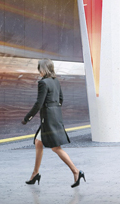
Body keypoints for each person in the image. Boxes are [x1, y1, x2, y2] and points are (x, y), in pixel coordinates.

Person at [22, 59, 84, 187]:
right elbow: (61, 99)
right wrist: (53, 109)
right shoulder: (56, 81)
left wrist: (28, 118)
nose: (39, 71)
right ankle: (35, 174)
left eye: (39, 69)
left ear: (43, 69)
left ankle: (76, 171)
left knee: (56, 148)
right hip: (55, 116)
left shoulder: (43, 83)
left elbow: (39, 104)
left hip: (48, 119)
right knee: (38, 142)